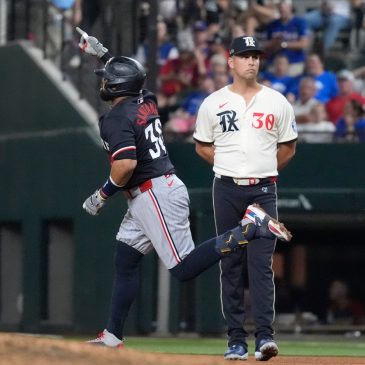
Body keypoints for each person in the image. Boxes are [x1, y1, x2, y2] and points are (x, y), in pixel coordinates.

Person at [75, 28, 293, 348]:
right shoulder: (145, 100)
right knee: (125, 258)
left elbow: (125, 166)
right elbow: (133, 78)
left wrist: (102, 195)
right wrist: (103, 54)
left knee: (184, 267)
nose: (103, 83)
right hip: (154, 190)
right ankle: (112, 334)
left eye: (107, 78)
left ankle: (249, 228)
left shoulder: (116, 119)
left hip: (153, 193)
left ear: (118, 86)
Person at [193, 35, 297, 361]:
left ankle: (265, 337)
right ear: (231, 61)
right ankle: (236, 339)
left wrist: (262, 169)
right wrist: (229, 166)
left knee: (261, 264)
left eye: (255, 56)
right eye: (245, 55)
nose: (252, 61)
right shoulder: (213, 102)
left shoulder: (277, 101)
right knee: (231, 263)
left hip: (263, 191)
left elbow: (288, 146)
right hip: (226, 188)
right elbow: (202, 145)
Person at [264, 0, 309, 77]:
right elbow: (266, 45)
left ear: (290, 8)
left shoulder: (300, 22)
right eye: (280, 10)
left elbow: (304, 43)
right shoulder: (272, 24)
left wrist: (284, 44)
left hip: (294, 62)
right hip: (275, 62)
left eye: (284, 9)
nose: (282, 12)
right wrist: (274, 42)